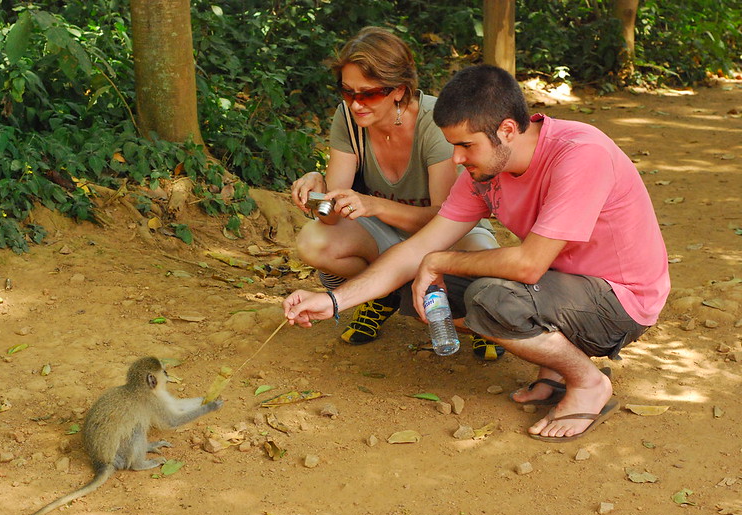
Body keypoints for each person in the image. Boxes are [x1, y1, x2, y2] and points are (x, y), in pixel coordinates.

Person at [283, 64, 670, 442]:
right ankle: (555, 372)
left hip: (619, 301)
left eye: (466, 145)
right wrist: (332, 301)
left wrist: (439, 261)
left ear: (506, 130)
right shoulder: (483, 172)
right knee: (418, 290)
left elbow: (529, 265)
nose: (457, 159)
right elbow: (417, 248)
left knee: (492, 299)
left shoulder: (580, 154)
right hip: (563, 287)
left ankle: (589, 383)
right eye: (454, 146)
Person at [291, 27, 501, 359]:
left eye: (369, 94)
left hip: (450, 235)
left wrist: (375, 205)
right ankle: (383, 295)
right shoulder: (348, 119)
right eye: (347, 92)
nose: (356, 104)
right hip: (387, 236)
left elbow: (444, 218)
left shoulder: (435, 121)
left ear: (399, 91)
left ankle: (476, 321)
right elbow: (331, 217)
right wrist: (317, 192)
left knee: (486, 277)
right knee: (313, 240)